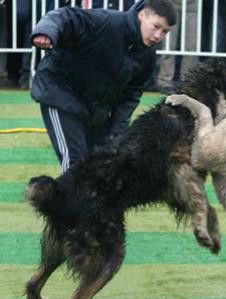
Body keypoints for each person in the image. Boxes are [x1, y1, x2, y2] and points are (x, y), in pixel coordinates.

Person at [30, 0, 177, 172]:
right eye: (156, 26)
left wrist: (116, 134)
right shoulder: (106, 21)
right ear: (142, 15)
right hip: (60, 92)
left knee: (101, 164)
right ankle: (71, 198)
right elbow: (64, 15)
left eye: (165, 32)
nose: (158, 36)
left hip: (95, 109)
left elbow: (130, 95)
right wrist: (47, 31)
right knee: (75, 165)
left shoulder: (148, 56)